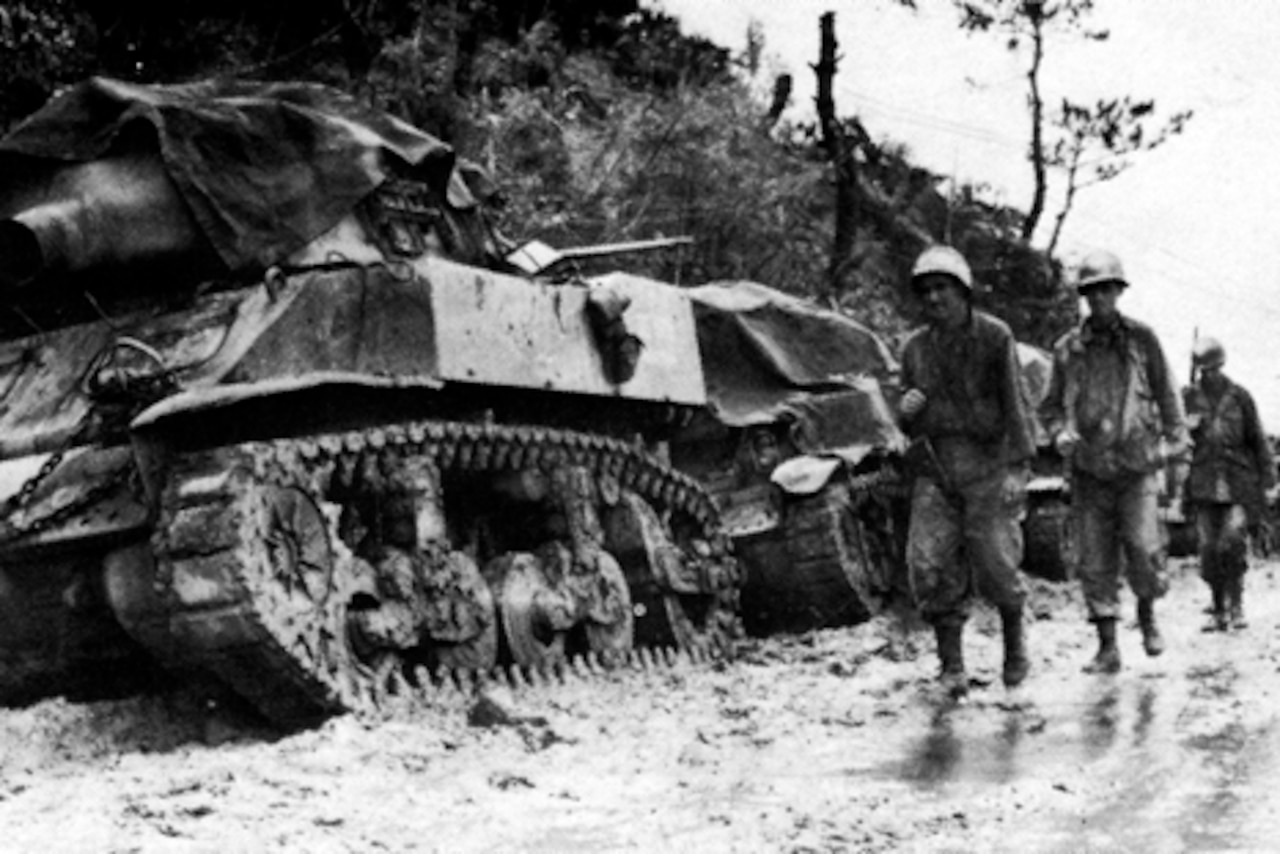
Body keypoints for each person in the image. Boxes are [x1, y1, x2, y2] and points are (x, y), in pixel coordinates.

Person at [898, 244, 1037, 699]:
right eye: (926, 291)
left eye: (942, 289)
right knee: (931, 565)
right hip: (937, 467)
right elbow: (903, 416)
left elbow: (1017, 405)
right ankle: (952, 668)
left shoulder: (995, 337)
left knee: (997, 565)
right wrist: (906, 410)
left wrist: (1019, 467)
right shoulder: (915, 349)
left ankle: (1015, 650)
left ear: (963, 291)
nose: (934, 299)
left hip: (988, 464)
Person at [1042, 249, 1188, 673]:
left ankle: (1147, 616)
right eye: (1092, 292)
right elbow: (1049, 408)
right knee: (1094, 559)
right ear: (1085, 297)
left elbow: (1167, 394)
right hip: (1089, 468)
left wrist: (1175, 442)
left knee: (1144, 548)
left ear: (1118, 292)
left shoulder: (1143, 340)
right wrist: (1059, 434)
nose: (1100, 299)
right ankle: (1107, 645)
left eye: (1107, 290)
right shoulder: (1068, 349)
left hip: (1137, 464)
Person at [1183, 337, 1273, 631]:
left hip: (1238, 483)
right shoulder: (1188, 399)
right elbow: (1177, 439)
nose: (1209, 375)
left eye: (1213, 369)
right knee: (1209, 549)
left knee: (1232, 542)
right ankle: (1218, 608)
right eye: (1203, 371)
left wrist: (1269, 480)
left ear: (1221, 366)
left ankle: (1237, 606)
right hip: (1204, 484)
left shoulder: (1240, 398)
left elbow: (1258, 441)